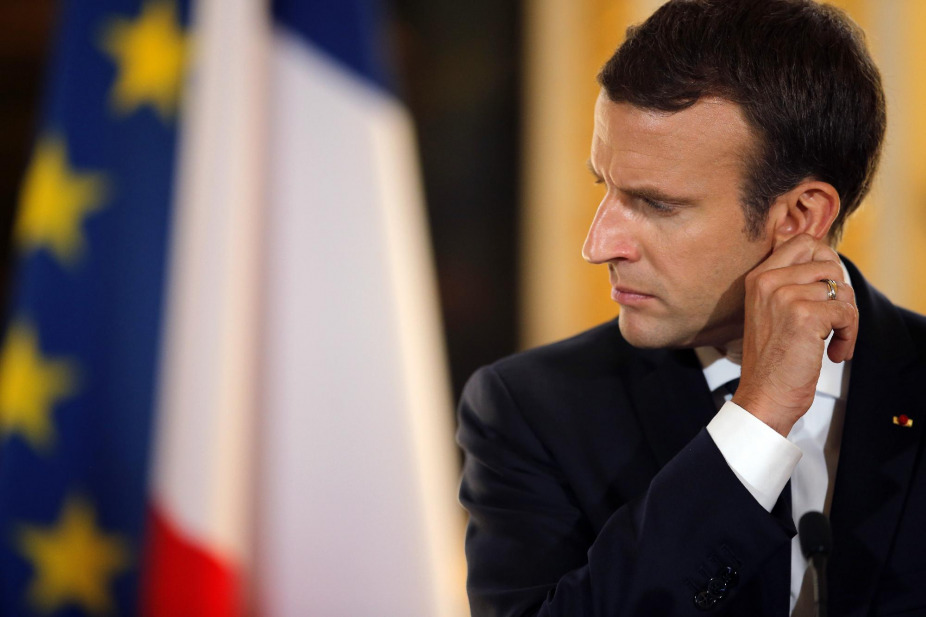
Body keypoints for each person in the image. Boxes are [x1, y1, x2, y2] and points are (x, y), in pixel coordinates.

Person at [456, 1, 926, 615]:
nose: (598, 245)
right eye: (605, 186)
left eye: (656, 204)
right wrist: (755, 421)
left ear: (799, 217)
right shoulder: (529, 411)